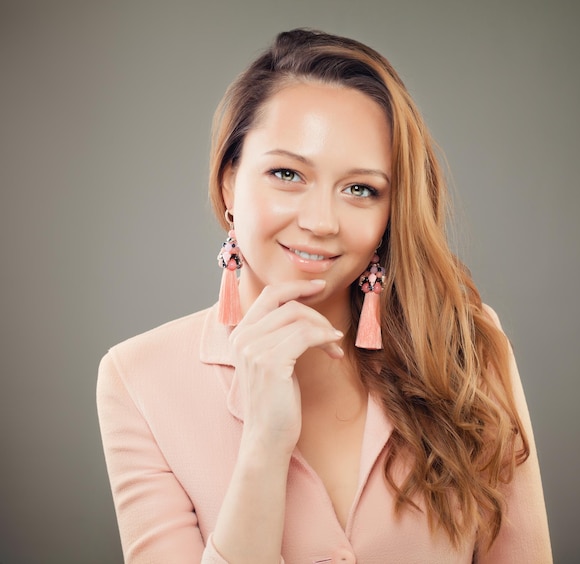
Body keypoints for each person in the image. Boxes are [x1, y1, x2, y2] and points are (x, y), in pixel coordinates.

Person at [97, 28, 552, 564]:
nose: (320, 222)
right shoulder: (138, 378)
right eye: (287, 174)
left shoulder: (466, 344)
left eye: (361, 189)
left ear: (389, 212)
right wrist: (265, 443)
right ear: (229, 185)